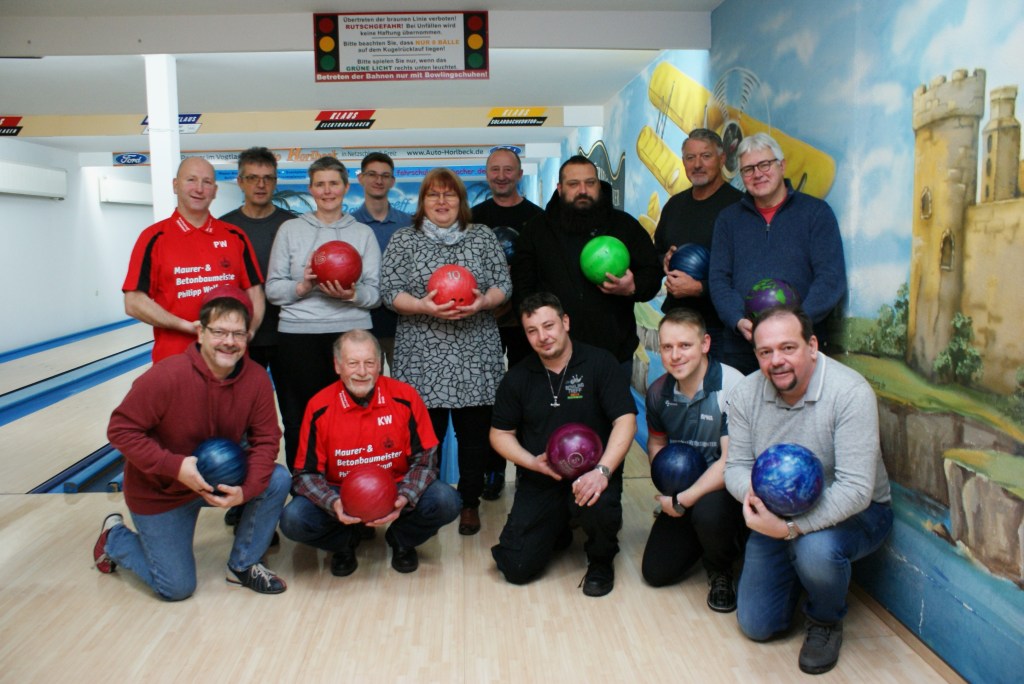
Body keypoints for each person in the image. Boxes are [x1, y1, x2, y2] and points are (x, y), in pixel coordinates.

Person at [723, 305, 893, 675]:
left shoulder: (850, 392)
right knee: (756, 625)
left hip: (858, 513)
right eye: (765, 352)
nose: (776, 361)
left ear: (812, 346)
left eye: (788, 348)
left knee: (815, 550)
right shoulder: (746, 394)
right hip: (779, 511)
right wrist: (755, 499)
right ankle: (802, 574)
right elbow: (736, 467)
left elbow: (856, 489)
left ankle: (825, 618)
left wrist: (790, 529)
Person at [93, 287, 290, 599]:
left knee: (277, 479)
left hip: (219, 481)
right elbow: (121, 430)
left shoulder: (255, 379)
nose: (229, 341)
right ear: (200, 333)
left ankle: (243, 564)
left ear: (247, 338)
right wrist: (175, 467)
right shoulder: (166, 376)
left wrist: (246, 490)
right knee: (176, 588)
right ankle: (114, 537)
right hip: (162, 491)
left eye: (238, 333)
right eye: (219, 332)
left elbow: (266, 440)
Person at [381, 167, 510, 537]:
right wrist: (423, 306)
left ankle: (469, 503)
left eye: (449, 194)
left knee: (474, 438)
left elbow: (503, 284)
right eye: (433, 194)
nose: (441, 201)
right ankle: (428, 503)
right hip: (422, 356)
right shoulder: (404, 239)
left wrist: (484, 301)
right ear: (422, 202)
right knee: (426, 439)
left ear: (461, 201)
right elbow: (389, 291)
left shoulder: (482, 236)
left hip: (475, 353)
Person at [490, 292, 637, 597]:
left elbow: (625, 421)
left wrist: (603, 471)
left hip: (593, 473)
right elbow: (500, 434)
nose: (542, 337)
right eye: (532, 330)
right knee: (516, 567)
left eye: (549, 326)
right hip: (542, 477)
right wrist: (532, 462)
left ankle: (601, 559)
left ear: (565, 322)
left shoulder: (600, 363)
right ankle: (558, 527)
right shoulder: (517, 378)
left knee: (599, 507)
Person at [279, 330, 461, 576]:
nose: (362, 372)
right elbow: (305, 475)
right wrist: (334, 503)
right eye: (353, 363)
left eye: (369, 363)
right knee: (293, 519)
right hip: (340, 491)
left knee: (447, 500)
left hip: (396, 486)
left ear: (380, 365)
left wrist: (404, 497)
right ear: (338, 366)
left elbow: (425, 462)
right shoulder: (319, 406)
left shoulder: (406, 397)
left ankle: (401, 539)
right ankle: (344, 542)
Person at [265, 156, 381, 471]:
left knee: (355, 416)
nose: (327, 191)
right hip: (298, 336)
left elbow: (375, 294)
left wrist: (352, 294)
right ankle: (304, 485)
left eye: (333, 183)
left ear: (345, 187)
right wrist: (302, 287)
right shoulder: (290, 230)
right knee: (299, 418)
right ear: (311, 189)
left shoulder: (362, 234)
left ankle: (354, 483)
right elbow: (273, 289)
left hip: (351, 336)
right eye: (320, 184)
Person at [709, 133, 847, 375]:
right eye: (748, 169)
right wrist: (737, 320)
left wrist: (796, 324)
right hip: (743, 346)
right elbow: (719, 280)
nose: (757, 174)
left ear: (782, 166)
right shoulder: (727, 220)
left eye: (765, 164)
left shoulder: (817, 213)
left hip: (799, 344)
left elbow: (830, 278)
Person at [512, 155, 662, 372]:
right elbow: (522, 289)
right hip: (553, 356)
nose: (583, 190)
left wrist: (632, 287)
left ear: (598, 185)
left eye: (590, 183)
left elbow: (652, 272)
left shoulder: (624, 226)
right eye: (573, 184)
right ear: (560, 188)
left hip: (614, 355)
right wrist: (537, 333)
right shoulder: (536, 230)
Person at [642, 308, 746, 612]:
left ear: (705, 344)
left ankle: (720, 568)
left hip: (725, 489)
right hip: (685, 489)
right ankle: (706, 539)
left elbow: (730, 462)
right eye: (667, 347)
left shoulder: (732, 386)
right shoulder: (658, 392)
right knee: (655, 572)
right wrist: (667, 485)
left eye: (685, 345)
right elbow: (657, 442)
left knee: (709, 514)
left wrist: (682, 500)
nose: (675, 355)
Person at [123, 156, 265, 362]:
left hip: (229, 358)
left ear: (215, 190)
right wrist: (187, 326)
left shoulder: (235, 236)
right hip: (175, 359)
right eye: (191, 180)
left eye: (207, 182)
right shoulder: (153, 237)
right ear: (175, 185)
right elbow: (133, 302)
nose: (199, 189)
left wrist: (248, 331)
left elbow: (255, 291)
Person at [219, 147, 295, 527]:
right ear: (240, 181)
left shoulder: (293, 224)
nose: (260, 185)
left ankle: (303, 494)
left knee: (296, 418)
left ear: (276, 182)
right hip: (241, 341)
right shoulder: (224, 227)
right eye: (252, 177)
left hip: (290, 335)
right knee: (240, 423)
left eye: (267, 178)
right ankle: (243, 496)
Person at [471, 147, 544, 501]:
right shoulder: (473, 218)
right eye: (495, 170)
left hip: (524, 321)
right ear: (487, 174)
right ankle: (492, 469)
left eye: (508, 169)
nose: (501, 176)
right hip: (481, 321)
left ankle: (530, 468)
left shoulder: (537, 218)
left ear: (519, 173)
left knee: (527, 395)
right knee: (487, 396)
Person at [653, 129, 742, 360]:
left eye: (706, 156)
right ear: (684, 162)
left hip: (723, 328)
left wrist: (701, 288)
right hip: (679, 323)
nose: (698, 164)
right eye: (690, 158)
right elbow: (657, 251)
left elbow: (748, 273)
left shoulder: (739, 207)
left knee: (721, 385)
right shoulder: (674, 205)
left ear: (722, 159)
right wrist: (665, 259)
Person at [351, 152, 412, 370]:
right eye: (372, 174)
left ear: (392, 181)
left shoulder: (409, 224)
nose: (379, 180)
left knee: (406, 385)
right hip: (362, 323)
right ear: (361, 178)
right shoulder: (349, 224)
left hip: (403, 325)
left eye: (385, 176)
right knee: (364, 384)